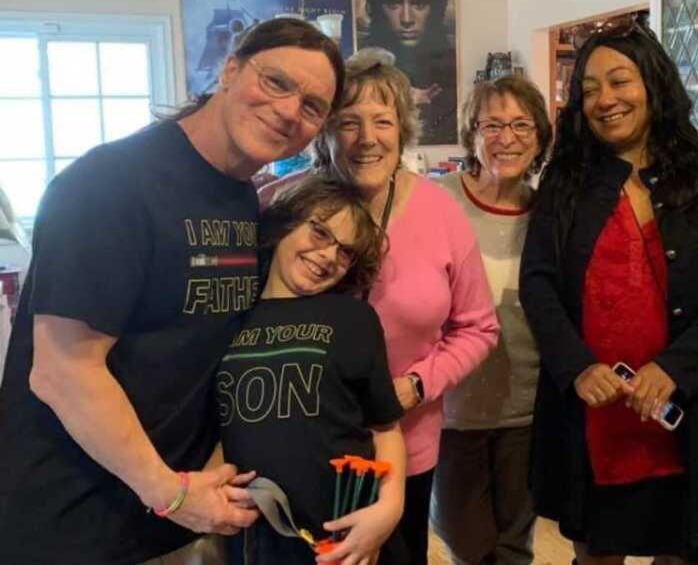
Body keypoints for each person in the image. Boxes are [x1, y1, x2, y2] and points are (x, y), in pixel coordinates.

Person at [0, 17, 344, 565]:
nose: (288, 111)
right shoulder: (109, 183)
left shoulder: (238, 197)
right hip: (75, 524)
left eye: (312, 107)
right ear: (230, 70)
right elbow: (63, 371)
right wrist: (171, 493)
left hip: (169, 522)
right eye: (276, 82)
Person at [519, 15, 698, 564]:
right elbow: (537, 283)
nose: (604, 99)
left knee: (682, 550)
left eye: (619, 81)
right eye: (588, 89)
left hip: (690, 409)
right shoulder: (566, 182)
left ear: (653, 83)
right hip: (596, 410)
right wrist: (577, 366)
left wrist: (675, 368)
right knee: (595, 551)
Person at [310, 48, 499, 564]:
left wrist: (416, 386)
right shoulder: (291, 210)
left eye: (382, 121)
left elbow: (479, 328)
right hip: (306, 445)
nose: (367, 139)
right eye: (348, 122)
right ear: (324, 131)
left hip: (406, 446)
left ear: (403, 130)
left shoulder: (441, 212)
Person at [218, 174, 406, 565]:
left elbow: (385, 428)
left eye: (345, 252)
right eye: (320, 233)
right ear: (286, 222)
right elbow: (220, 421)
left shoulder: (353, 317)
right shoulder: (229, 316)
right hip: (255, 534)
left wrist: (390, 508)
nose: (328, 256)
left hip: (344, 528)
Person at [430, 75, 552, 565]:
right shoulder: (436, 202)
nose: (508, 137)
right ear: (471, 135)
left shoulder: (548, 212)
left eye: (522, 124)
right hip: (451, 409)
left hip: (526, 408)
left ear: (540, 136)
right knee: (466, 539)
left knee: (514, 544)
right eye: (493, 125)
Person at [360, 0, 458, 145]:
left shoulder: (448, 63)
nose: (406, 19)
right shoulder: (363, 66)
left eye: (419, 5)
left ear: (437, 9)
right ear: (374, 8)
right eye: (393, 4)